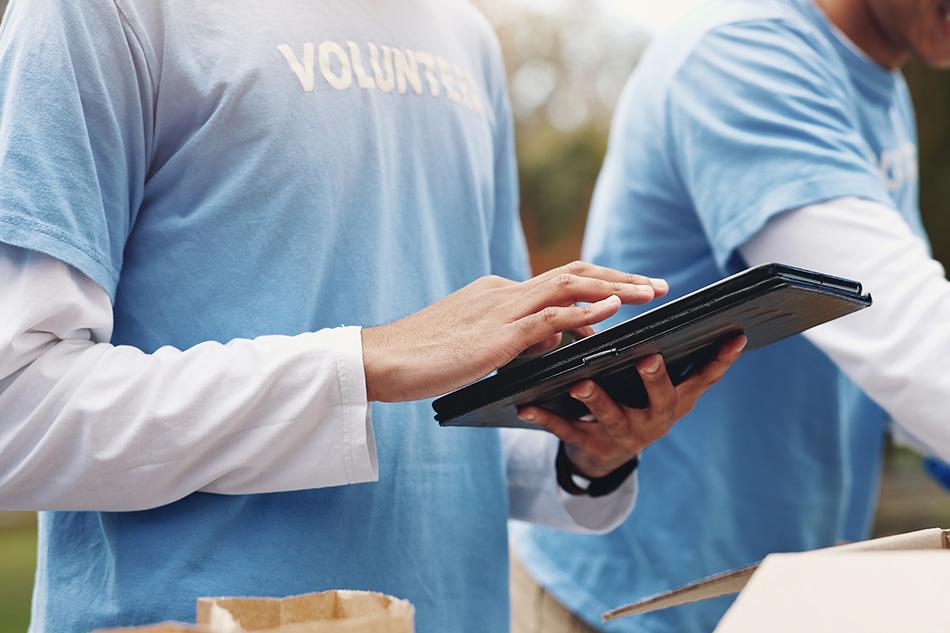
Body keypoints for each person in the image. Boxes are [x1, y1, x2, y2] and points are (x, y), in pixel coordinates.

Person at [0, 1, 747, 632]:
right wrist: (362, 363)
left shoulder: (464, 32)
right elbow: (15, 414)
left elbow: (463, 402)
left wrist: (585, 448)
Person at [512, 0, 950, 631]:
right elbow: (915, 344)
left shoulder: (878, 79)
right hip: (636, 603)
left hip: (770, 594)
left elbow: (879, 341)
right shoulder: (744, 57)